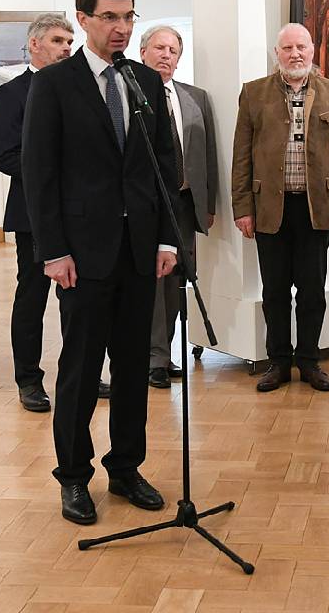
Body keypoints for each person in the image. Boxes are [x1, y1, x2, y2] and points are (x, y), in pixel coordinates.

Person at [22, 0, 179, 525]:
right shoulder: (54, 84)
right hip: (81, 257)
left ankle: (126, 467)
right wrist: (53, 251)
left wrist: (165, 237)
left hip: (139, 252)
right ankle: (73, 475)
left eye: (129, 16)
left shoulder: (144, 80)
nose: (121, 27)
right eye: (110, 17)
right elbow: (39, 175)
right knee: (81, 370)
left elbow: (164, 164)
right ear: (83, 18)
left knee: (133, 369)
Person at [231, 23, 329, 393]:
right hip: (270, 209)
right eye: (287, 48)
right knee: (274, 293)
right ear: (277, 53)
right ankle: (279, 362)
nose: (295, 54)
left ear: (313, 50)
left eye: (301, 47)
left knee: (312, 292)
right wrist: (242, 207)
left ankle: (309, 361)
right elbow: (241, 157)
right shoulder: (254, 93)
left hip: (316, 210)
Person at [0, 14, 76, 412]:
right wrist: (58, 168)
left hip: (80, 212)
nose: (66, 48)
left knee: (79, 300)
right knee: (32, 298)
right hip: (33, 214)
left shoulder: (79, 90)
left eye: (69, 41)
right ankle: (28, 379)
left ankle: (80, 373)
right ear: (35, 44)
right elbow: (7, 157)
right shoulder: (12, 94)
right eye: (58, 40)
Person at [139, 25, 219, 389]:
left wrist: (209, 203)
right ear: (143, 52)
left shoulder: (195, 97)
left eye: (173, 50)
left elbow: (208, 154)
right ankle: (152, 357)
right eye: (159, 48)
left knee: (175, 281)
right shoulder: (130, 94)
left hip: (185, 205)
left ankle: (164, 353)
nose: (166, 55)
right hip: (148, 207)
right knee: (153, 283)